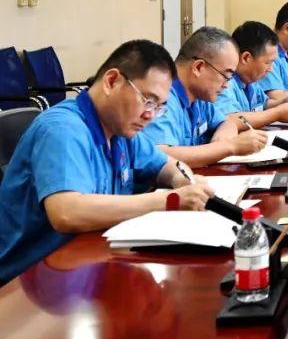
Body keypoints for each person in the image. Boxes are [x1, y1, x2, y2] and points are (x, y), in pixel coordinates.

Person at [0, 40, 214, 283]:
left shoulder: (121, 130)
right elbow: (66, 212)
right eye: (147, 100)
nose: (150, 115)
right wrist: (168, 201)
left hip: (87, 262)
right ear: (112, 81)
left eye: (159, 107)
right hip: (25, 282)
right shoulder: (63, 129)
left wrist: (183, 180)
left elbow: (167, 164)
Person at [142, 27, 265, 167]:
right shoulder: (162, 97)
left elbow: (227, 122)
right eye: (226, 76)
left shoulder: (200, 97)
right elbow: (160, 156)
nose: (226, 85)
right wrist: (229, 147)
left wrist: (221, 142)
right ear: (198, 67)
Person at [214, 21, 288, 130]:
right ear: (246, 58)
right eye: (267, 62)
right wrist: (277, 114)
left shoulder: (251, 81)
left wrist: (284, 102)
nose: (270, 69)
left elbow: (264, 104)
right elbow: (230, 120)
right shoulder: (224, 84)